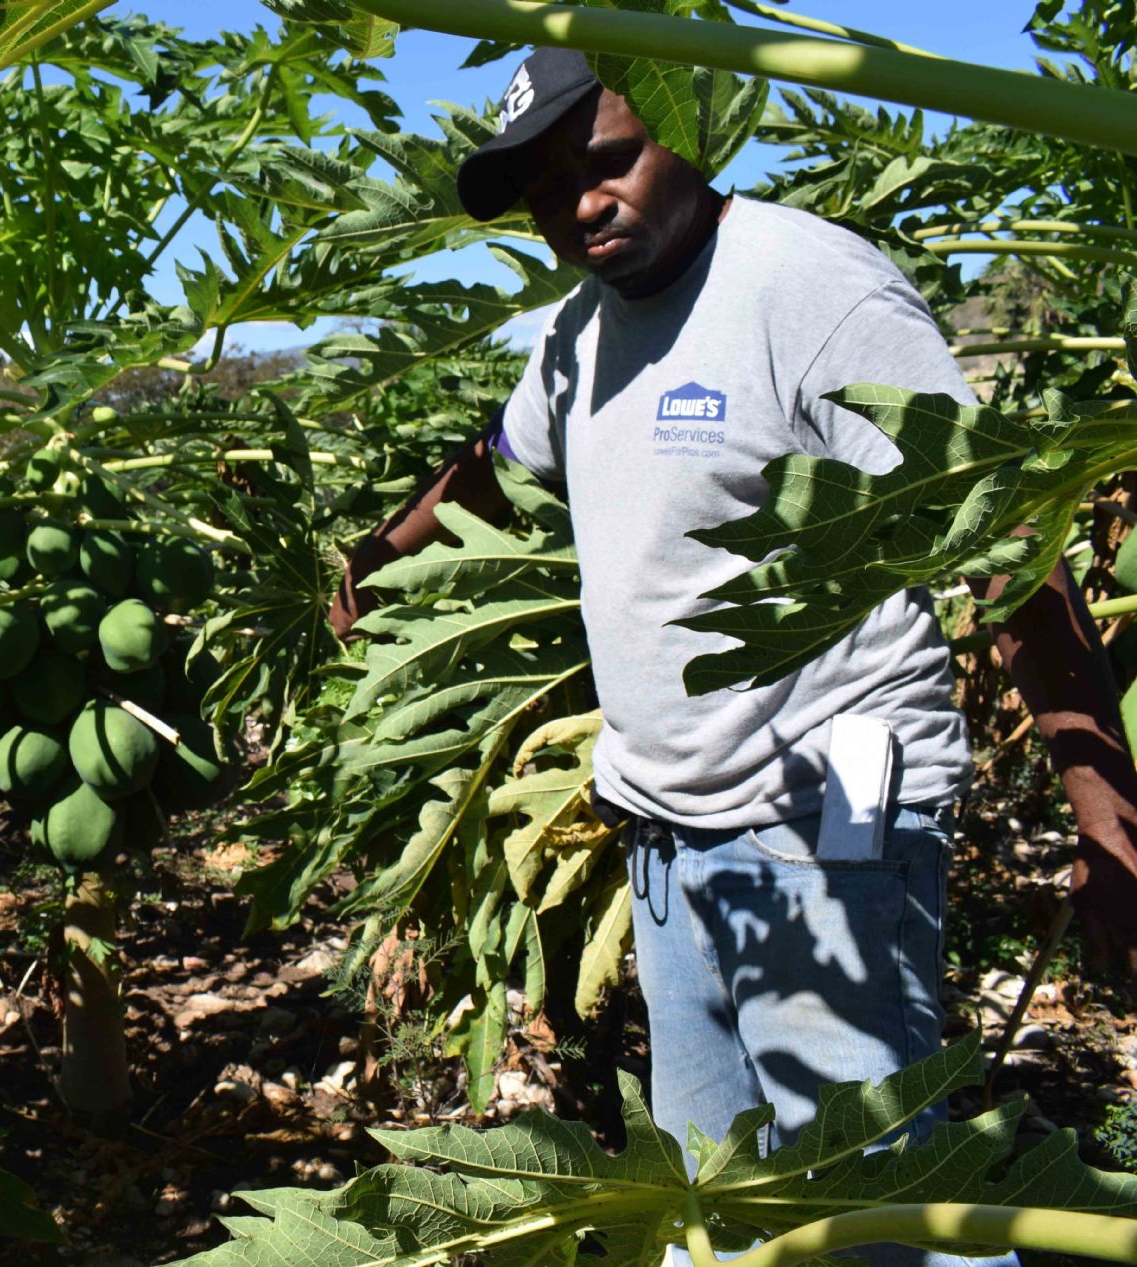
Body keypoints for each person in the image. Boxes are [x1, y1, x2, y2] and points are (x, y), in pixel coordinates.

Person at [328, 47, 1137, 1267]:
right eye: (546, 191)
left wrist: (1110, 830)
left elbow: (1002, 539)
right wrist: (372, 555)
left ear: (688, 131)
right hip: (667, 819)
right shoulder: (577, 333)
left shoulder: (810, 291)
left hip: (832, 808)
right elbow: (494, 461)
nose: (580, 205)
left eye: (606, 161)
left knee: (872, 1195)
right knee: (721, 1192)